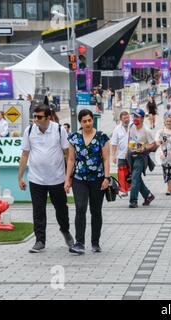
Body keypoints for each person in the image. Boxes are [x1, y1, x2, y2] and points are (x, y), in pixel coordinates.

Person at [18, 104, 73, 253]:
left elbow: (68, 154)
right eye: (34, 117)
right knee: (38, 211)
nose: (36, 120)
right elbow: (25, 154)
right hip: (36, 179)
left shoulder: (59, 130)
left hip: (57, 178)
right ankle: (39, 240)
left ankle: (65, 231)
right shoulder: (29, 130)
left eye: (39, 117)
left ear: (48, 117)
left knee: (61, 209)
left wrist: (69, 177)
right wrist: (20, 177)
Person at [65, 109, 111, 254]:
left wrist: (107, 177)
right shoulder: (74, 137)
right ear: (80, 122)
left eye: (89, 120)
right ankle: (79, 243)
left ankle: (95, 242)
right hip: (79, 179)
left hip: (97, 179)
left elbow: (106, 159)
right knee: (80, 208)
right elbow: (71, 159)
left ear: (93, 120)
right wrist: (67, 179)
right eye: (84, 121)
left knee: (96, 211)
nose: (87, 123)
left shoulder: (101, 137)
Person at [127, 108, 157, 208]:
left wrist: (144, 147)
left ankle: (133, 201)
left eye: (137, 117)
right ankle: (148, 195)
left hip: (141, 157)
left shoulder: (146, 130)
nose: (135, 118)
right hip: (132, 155)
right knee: (137, 177)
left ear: (143, 118)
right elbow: (130, 139)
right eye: (134, 116)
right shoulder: (132, 126)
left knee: (135, 177)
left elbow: (153, 144)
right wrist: (127, 152)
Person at [111, 111, 131, 196]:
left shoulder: (133, 126)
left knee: (131, 172)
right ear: (121, 119)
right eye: (124, 118)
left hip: (132, 154)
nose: (126, 119)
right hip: (121, 155)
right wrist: (113, 156)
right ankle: (123, 190)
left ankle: (132, 188)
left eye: (127, 117)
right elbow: (114, 143)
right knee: (122, 172)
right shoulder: (117, 129)